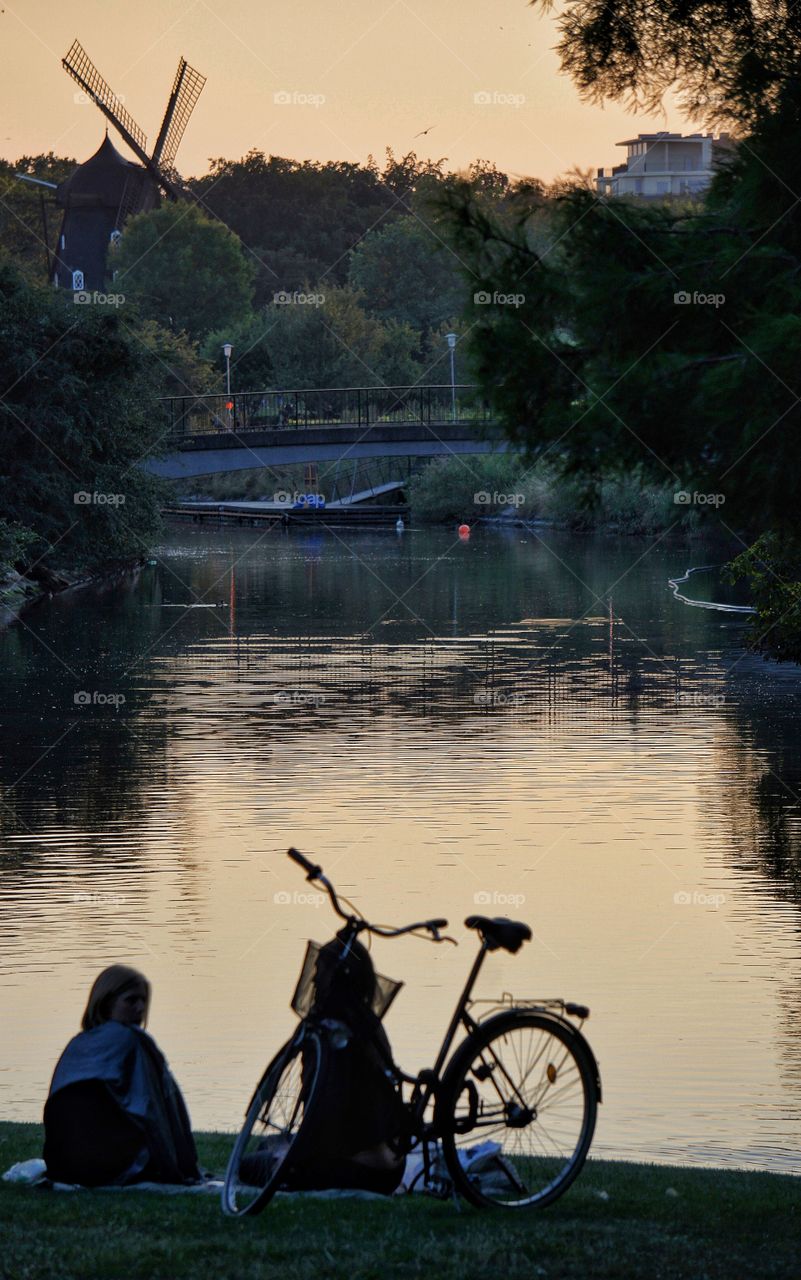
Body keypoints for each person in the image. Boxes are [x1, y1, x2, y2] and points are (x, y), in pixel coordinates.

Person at [43, 965, 201, 1187]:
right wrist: (179, 1168)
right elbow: (154, 1109)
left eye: (144, 1001)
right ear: (106, 1002)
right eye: (131, 1000)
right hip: (114, 1167)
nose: (141, 1008)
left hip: (62, 1165)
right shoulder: (133, 1041)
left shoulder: (78, 1043)